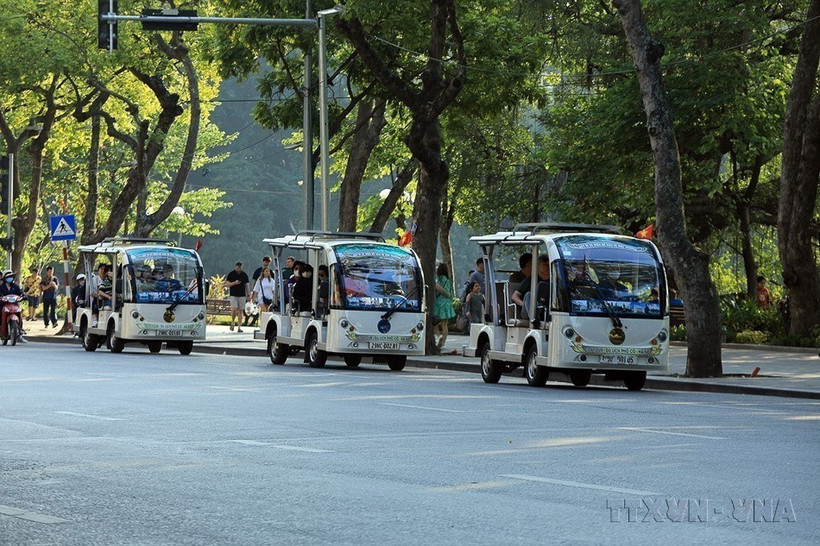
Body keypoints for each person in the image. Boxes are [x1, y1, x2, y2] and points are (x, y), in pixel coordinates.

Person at [512, 254, 550, 320]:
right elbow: (514, 296)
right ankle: (534, 319)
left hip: (546, 310)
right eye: (544, 265)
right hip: (529, 311)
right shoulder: (531, 279)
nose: (547, 267)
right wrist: (524, 304)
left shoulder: (554, 280)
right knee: (529, 295)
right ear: (538, 266)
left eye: (548, 265)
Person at [433, 263, 456, 351]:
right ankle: (443, 341)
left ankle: (437, 337)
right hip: (447, 304)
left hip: (438, 303)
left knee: (434, 323)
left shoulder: (438, 279)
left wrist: (444, 293)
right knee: (444, 325)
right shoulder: (448, 280)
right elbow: (450, 294)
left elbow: (437, 287)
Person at [0, 270, 27, 342]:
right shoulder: (1, 287)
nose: (10, 278)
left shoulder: (15, 287)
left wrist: (23, 296)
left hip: (14, 305)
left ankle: (20, 333)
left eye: (11, 277)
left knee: (20, 314)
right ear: (4, 278)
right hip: (3, 305)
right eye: (8, 277)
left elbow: (20, 293)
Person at [245, 256, 272, 327]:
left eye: (268, 262)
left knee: (267, 310)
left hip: (269, 296)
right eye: (265, 261)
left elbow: (274, 287)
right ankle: (263, 324)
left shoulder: (271, 273)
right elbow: (255, 283)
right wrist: (253, 295)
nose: (266, 263)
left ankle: (265, 324)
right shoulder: (258, 272)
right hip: (260, 296)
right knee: (263, 309)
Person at [225, 261, 250, 332]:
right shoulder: (231, 274)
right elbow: (227, 284)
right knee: (234, 308)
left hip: (242, 295)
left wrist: (248, 295)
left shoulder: (244, 275)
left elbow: (247, 285)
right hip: (233, 294)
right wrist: (234, 283)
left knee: (241, 311)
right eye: (238, 266)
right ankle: (232, 322)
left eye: (240, 267)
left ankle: (239, 327)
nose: (239, 268)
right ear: (235, 266)